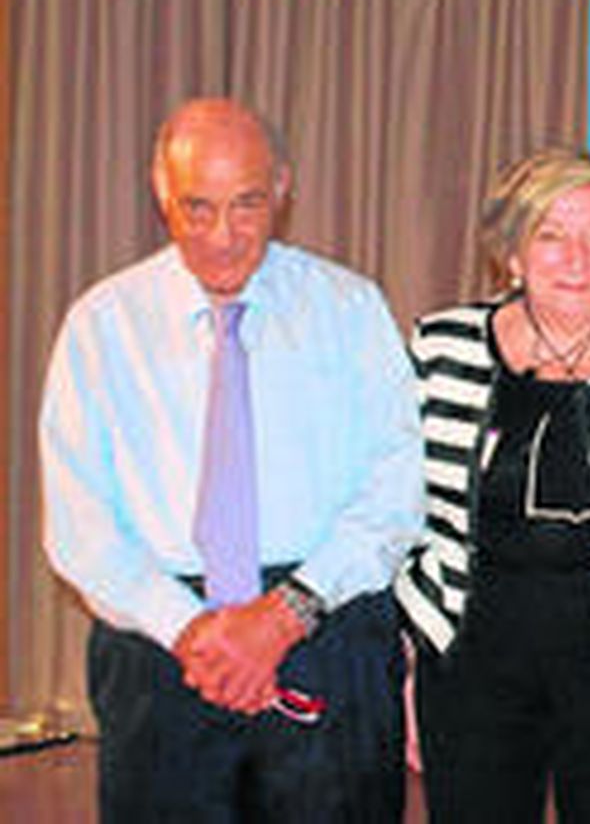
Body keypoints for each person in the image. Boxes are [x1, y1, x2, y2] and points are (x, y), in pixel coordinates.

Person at [39, 98, 424, 820]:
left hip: (323, 623)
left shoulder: (349, 310)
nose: (222, 236)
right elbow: (80, 523)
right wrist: (194, 631)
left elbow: (396, 491)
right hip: (160, 641)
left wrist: (281, 617)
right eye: (198, 207)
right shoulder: (103, 326)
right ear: (162, 193)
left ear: (282, 188)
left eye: (246, 205)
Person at [393, 150, 590, 822]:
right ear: (512, 252)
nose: (577, 258)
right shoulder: (439, 348)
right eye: (551, 235)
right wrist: (411, 666)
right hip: (471, 678)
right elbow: (403, 520)